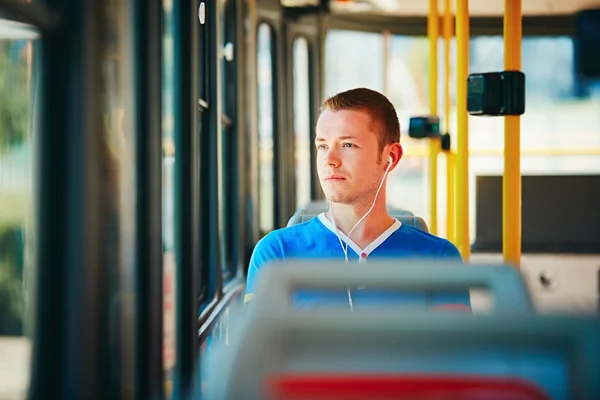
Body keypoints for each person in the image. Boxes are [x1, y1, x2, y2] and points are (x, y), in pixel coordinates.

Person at [245, 87, 471, 311]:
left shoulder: (440, 259)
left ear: (390, 157)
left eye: (348, 145)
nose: (329, 160)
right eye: (322, 146)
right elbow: (257, 346)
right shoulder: (277, 252)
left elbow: (455, 347)